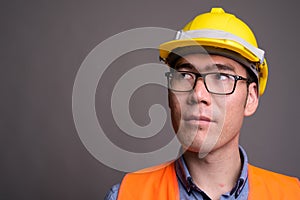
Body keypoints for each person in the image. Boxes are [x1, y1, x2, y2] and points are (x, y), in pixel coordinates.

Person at [105, 7, 300, 200]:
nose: (198, 94)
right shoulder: (126, 195)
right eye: (185, 75)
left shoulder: (291, 195)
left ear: (251, 98)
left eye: (221, 76)